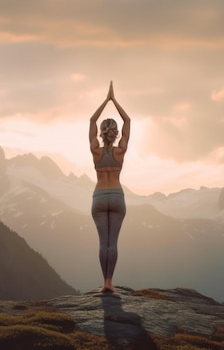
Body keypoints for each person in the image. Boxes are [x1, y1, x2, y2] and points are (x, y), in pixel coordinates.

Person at [89, 81, 131, 293]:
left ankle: (103, 283)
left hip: (99, 197)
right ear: (115, 134)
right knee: (112, 243)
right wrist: (114, 101)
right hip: (116, 196)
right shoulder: (120, 152)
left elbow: (92, 120)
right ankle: (109, 283)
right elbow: (128, 120)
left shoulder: (95, 150)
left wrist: (105, 101)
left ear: (102, 133)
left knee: (101, 243)